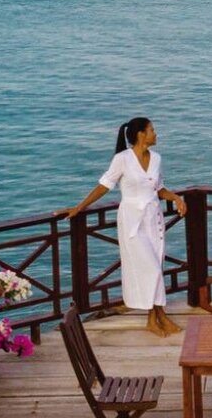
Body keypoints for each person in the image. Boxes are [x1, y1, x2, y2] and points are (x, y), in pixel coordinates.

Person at [67, 117, 188, 338]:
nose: (156, 133)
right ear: (141, 134)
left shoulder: (157, 159)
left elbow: (158, 188)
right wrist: (79, 207)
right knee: (150, 268)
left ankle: (155, 317)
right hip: (132, 220)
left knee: (156, 266)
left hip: (154, 218)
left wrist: (176, 198)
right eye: (152, 130)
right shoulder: (122, 159)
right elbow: (105, 186)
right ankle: (158, 317)